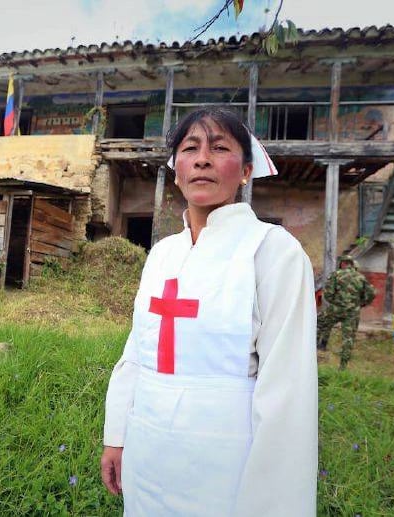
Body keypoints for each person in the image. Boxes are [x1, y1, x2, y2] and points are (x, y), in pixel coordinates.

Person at [100, 108, 317, 516]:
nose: (203, 158)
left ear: (247, 170)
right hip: (147, 452)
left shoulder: (273, 251)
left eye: (219, 148)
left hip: (226, 467)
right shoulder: (162, 254)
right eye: (190, 148)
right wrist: (117, 436)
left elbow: (287, 391)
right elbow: (136, 351)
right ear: (177, 171)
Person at [316, 255, 376, 370]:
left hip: (336, 309)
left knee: (319, 323)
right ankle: (343, 366)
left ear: (343, 263)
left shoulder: (337, 275)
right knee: (348, 338)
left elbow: (327, 294)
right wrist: (361, 304)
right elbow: (371, 294)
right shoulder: (360, 277)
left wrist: (335, 302)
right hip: (353, 312)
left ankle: (318, 348)